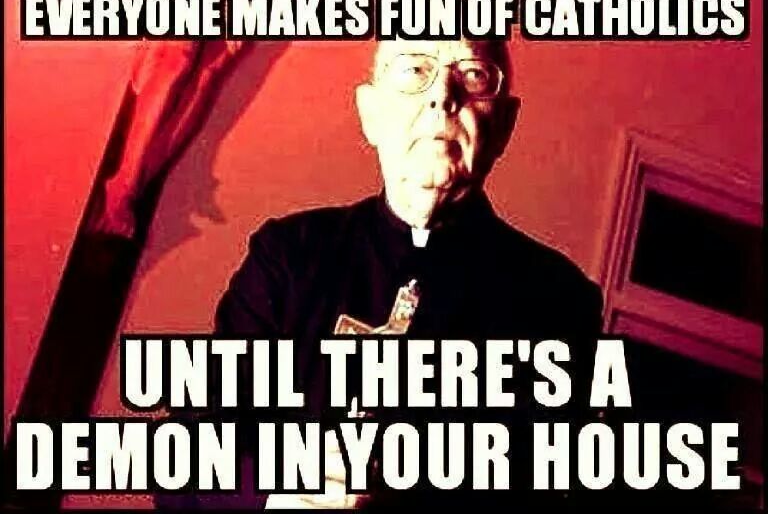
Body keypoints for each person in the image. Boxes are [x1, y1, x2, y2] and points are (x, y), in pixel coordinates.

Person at [157, 37, 604, 509]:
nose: (442, 96)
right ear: (370, 113)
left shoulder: (559, 301)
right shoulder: (289, 254)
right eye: (415, 70)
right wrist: (273, 499)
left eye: (473, 74)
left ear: (505, 125)